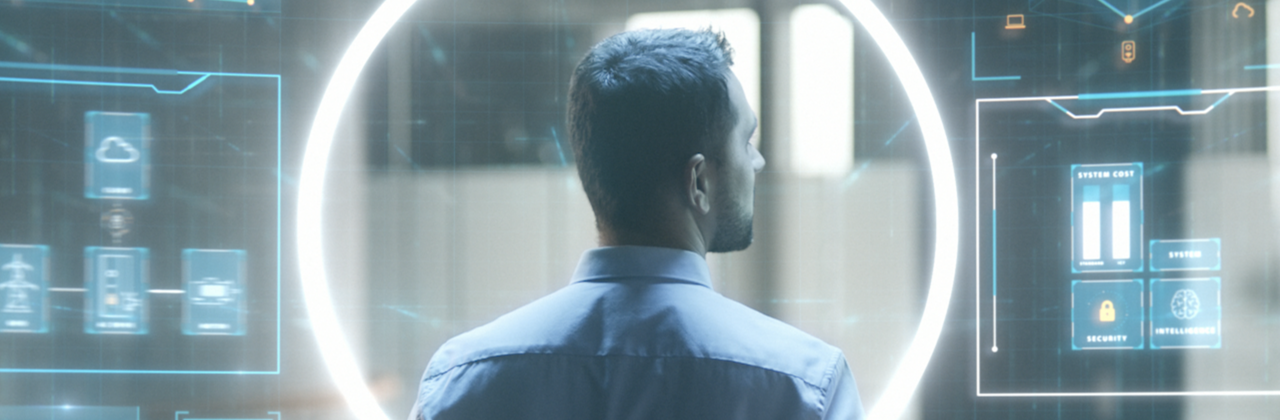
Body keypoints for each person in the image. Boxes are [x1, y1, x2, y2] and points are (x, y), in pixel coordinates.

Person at [408, 28, 863, 419]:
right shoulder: (802, 387)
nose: (758, 161)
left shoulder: (462, 380)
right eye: (747, 140)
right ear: (699, 181)